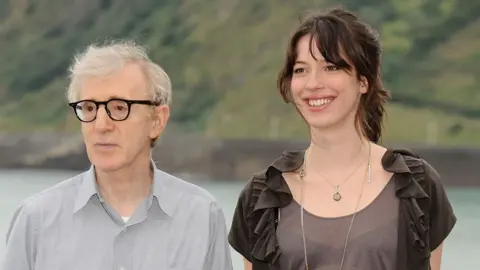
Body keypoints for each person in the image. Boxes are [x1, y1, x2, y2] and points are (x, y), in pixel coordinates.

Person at [228, 7, 456, 270]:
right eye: (301, 70)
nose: (313, 83)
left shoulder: (417, 185)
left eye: (331, 67)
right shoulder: (261, 196)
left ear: (363, 81)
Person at [0, 40, 233, 270]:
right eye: (90, 108)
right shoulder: (35, 221)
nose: (101, 125)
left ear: (157, 120)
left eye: (119, 107)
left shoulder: (202, 217)